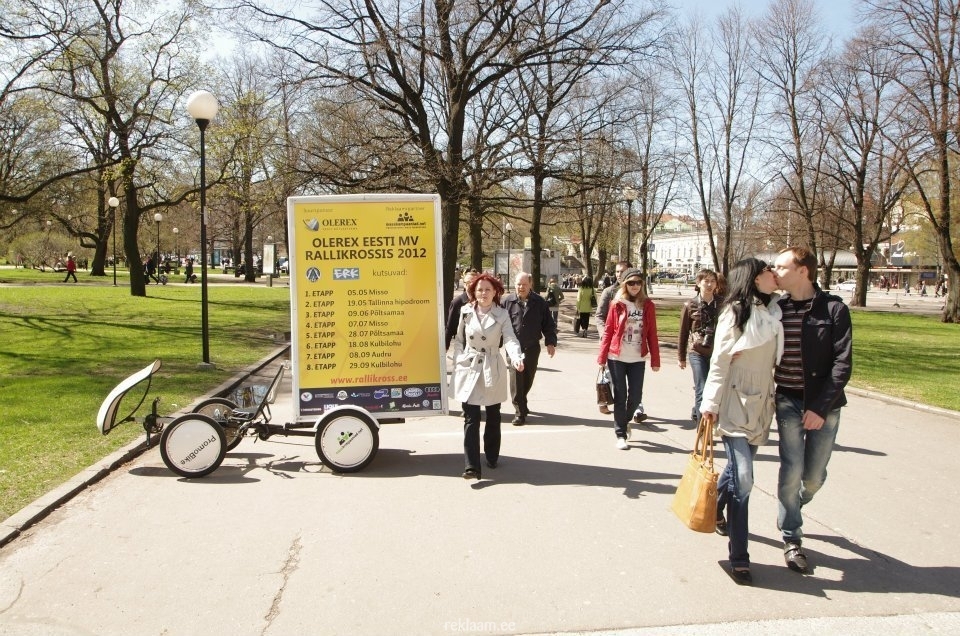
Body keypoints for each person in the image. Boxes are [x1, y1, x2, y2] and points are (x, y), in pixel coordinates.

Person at [700, 258, 782, 586]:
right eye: (767, 271)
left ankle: (716, 508)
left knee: (736, 474)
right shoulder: (735, 312)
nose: (773, 274)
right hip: (735, 402)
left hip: (762, 403)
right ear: (753, 278)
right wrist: (710, 404)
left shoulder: (777, 310)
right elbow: (719, 362)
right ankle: (740, 557)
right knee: (744, 479)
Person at [772, 247, 853, 574]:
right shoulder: (777, 308)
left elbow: (842, 363)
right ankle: (792, 536)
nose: (775, 271)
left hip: (825, 405)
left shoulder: (833, 309)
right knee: (791, 470)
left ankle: (790, 504)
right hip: (788, 400)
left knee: (814, 477)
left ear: (802, 270)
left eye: (781, 266)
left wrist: (820, 407)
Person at [451, 273, 525, 480]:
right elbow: (459, 339)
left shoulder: (502, 314)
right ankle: (471, 466)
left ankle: (492, 455)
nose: (483, 293)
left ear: (495, 292)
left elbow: (510, 338)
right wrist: (459, 358)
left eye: (488, 290)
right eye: (479, 290)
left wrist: (516, 357)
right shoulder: (465, 311)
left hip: (492, 365)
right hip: (470, 366)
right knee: (470, 417)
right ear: (473, 292)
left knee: (493, 415)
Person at [596, 268, 660, 449]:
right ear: (624, 284)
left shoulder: (648, 305)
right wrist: (602, 357)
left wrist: (655, 359)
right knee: (620, 395)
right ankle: (620, 434)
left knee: (636, 396)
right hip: (617, 356)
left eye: (638, 282)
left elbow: (652, 334)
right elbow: (608, 330)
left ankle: (624, 422)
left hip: (638, 358)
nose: (635, 286)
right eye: (631, 282)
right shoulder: (617, 304)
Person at [501, 272, 558, 425]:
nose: (521, 287)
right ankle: (519, 411)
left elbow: (548, 324)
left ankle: (522, 399)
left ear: (530, 285)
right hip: (513, 348)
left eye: (524, 284)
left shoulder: (539, 302)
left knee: (528, 377)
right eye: (519, 284)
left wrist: (550, 342)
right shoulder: (507, 302)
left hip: (532, 347)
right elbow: (498, 324)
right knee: (516, 378)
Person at [596, 261, 647, 422]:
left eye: (622, 271)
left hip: (634, 350)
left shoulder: (640, 296)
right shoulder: (609, 292)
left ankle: (637, 409)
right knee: (614, 380)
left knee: (635, 385)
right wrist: (605, 335)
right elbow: (600, 316)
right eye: (617, 271)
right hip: (613, 345)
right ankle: (605, 400)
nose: (618, 274)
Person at [678, 270, 721, 423]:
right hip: (696, 352)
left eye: (712, 281)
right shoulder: (690, 305)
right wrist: (681, 357)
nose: (709, 285)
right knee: (702, 388)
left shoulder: (722, 303)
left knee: (714, 389)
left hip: (717, 352)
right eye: (706, 281)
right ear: (698, 283)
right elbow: (683, 332)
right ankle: (702, 431)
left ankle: (699, 412)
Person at [444, 269, 478, 350]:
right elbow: (450, 327)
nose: (471, 285)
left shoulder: (484, 301)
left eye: (474, 283)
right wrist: (445, 348)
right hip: (464, 347)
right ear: (464, 285)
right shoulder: (457, 302)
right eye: (468, 282)